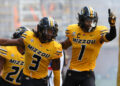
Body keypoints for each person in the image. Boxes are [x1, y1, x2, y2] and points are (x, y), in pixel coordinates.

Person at [61, 6, 116, 86]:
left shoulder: (98, 32)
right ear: (82, 20)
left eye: (93, 21)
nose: (90, 24)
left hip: (87, 74)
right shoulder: (73, 30)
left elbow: (111, 36)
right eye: (88, 21)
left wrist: (112, 25)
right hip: (72, 73)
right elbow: (65, 45)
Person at [0, 17, 62, 86]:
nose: (50, 34)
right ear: (40, 29)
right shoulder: (29, 37)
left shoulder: (56, 47)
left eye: (52, 32)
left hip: (41, 80)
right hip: (27, 78)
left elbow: (57, 72)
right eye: (48, 31)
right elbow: (7, 42)